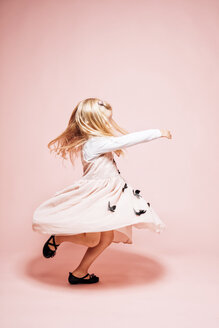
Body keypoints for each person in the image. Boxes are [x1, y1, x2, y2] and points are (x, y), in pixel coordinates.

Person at [32, 97, 172, 285]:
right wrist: (158, 132)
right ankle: (59, 240)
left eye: (108, 120)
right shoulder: (94, 144)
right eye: (104, 120)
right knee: (93, 239)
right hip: (99, 195)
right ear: (91, 122)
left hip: (110, 194)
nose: (107, 123)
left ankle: (79, 272)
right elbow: (126, 140)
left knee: (105, 239)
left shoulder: (97, 142)